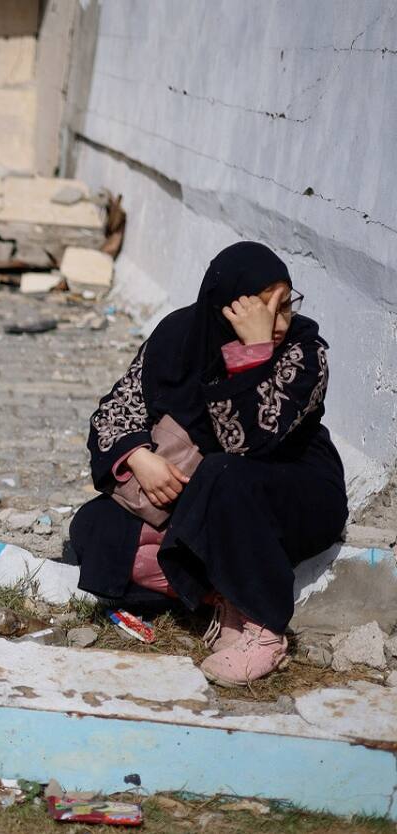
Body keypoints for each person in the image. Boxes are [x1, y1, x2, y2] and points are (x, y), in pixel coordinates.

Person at [69, 241, 347, 686]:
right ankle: (217, 593)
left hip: (292, 495)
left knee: (223, 474)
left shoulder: (304, 353)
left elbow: (251, 444)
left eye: (284, 306)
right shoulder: (179, 337)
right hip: (202, 496)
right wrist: (140, 458)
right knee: (93, 527)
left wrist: (253, 354)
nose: (277, 322)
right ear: (223, 308)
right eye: (261, 308)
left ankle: (263, 627)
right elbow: (114, 412)